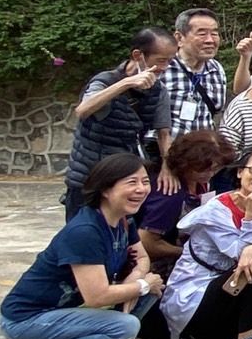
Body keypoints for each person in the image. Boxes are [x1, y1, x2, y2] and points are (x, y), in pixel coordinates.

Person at [1, 154, 158, 339]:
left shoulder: (124, 221)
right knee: (125, 326)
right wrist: (141, 285)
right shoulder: (85, 231)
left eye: (145, 182)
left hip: (67, 310)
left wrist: (136, 280)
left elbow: (142, 258)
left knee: (151, 291)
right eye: (132, 182)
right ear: (105, 189)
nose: (141, 189)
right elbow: (97, 296)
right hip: (27, 319)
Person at [161, 147, 252, 339]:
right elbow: (238, 254)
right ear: (240, 172)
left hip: (229, 289)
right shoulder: (216, 210)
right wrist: (249, 218)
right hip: (196, 295)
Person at [135, 130, 235, 339]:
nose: (211, 172)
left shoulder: (202, 183)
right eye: (204, 167)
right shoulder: (169, 194)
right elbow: (146, 242)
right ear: (186, 163)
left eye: (216, 167)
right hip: (160, 276)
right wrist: (190, 252)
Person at [64, 28, 174, 218]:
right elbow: (82, 110)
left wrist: (168, 167)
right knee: (83, 236)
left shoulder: (158, 90)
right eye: (161, 61)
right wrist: (126, 83)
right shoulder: (105, 81)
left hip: (123, 178)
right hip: (88, 178)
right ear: (138, 55)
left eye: (170, 61)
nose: (165, 67)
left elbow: (163, 133)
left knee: (122, 237)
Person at [160, 8, 252, 139]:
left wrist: (246, 57)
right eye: (202, 34)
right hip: (165, 154)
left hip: (204, 154)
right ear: (179, 38)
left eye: (214, 33)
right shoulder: (163, 68)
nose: (210, 40)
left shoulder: (216, 69)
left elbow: (236, 95)